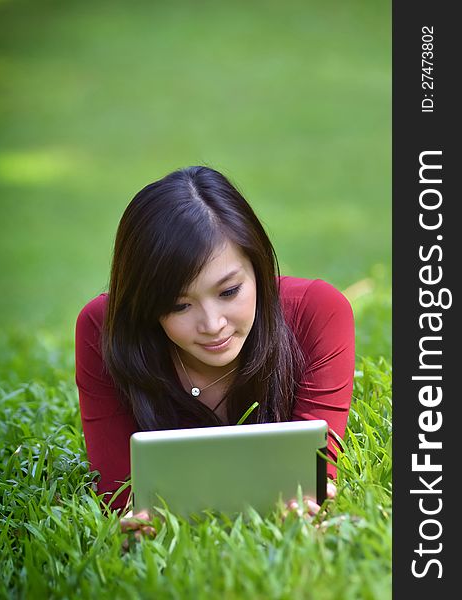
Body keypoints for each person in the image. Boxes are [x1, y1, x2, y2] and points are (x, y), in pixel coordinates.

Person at [75, 165, 355, 540]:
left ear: (257, 266)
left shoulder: (317, 312)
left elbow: (314, 479)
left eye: (228, 292)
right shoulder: (103, 328)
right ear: (145, 303)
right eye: (178, 305)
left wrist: (304, 506)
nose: (212, 324)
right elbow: (120, 495)